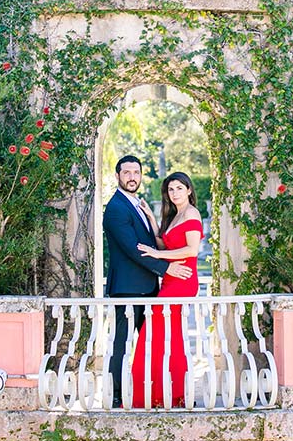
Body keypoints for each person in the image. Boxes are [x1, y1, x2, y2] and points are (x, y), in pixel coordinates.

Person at [102, 156, 193, 408]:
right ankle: (117, 395)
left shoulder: (136, 205)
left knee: (152, 344)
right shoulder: (117, 208)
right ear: (117, 176)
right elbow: (133, 249)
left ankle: (154, 392)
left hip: (149, 289)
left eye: (136, 172)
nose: (132, 177)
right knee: (122, 342)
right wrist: (166, 267)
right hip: (127, 290)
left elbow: (151, 243)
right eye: (127, 172)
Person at [131, 171, 203, 408]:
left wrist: (158, 255)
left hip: (183, 279)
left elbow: (192, 250)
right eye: (171, 189)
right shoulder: (174, 215)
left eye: (179, 189)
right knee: (162, 337)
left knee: (160, 334)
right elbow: (165, 242)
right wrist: (152, 220)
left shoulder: (192, 213)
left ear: (189, 190)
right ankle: (156, 394)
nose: (174, 193)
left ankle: (174, 394)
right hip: (170, 281)